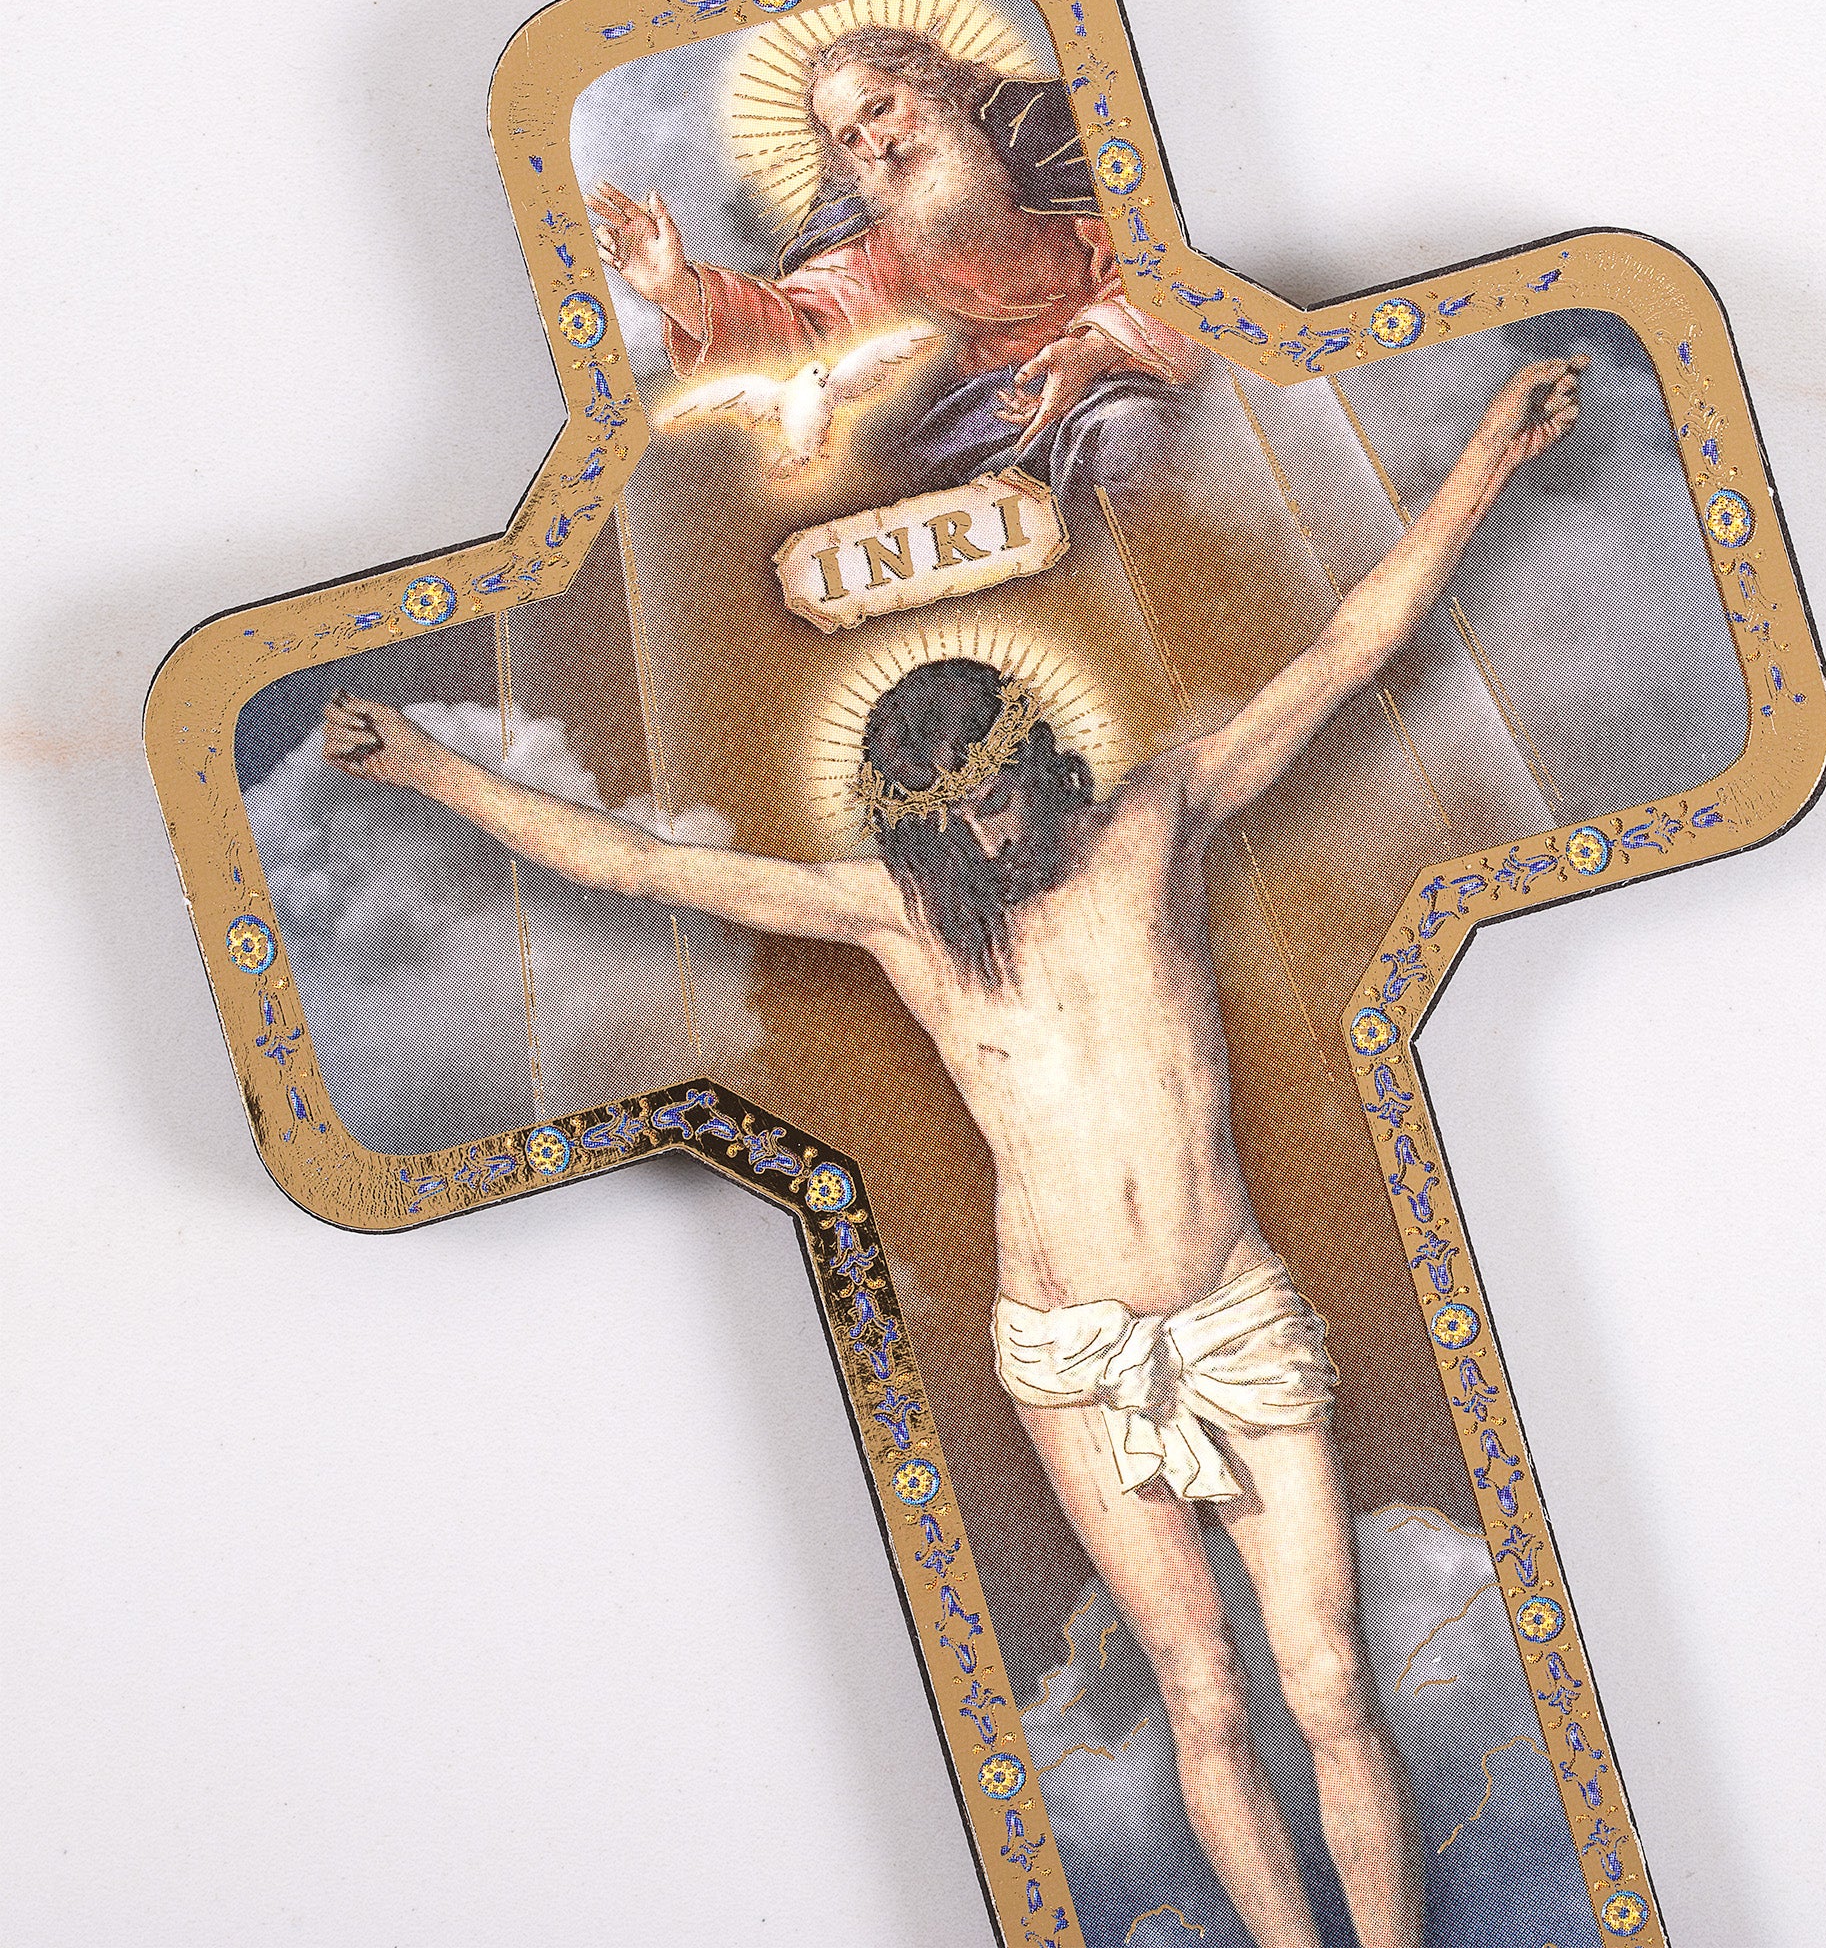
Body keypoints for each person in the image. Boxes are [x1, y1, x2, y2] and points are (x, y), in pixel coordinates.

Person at [323, 353, 1590, 1948]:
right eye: (958, 816)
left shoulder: (1156, 823)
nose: (993, 833)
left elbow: (1348, 651)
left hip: (1229, 1310)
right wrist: (427, 765)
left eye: (1000, 793)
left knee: (1331, 1680)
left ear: (1033, 759)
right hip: (1064, 1346)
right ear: (918, 823)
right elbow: (639, 869)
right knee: (1202, 1689)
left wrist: (1487, 458)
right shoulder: (902, 920)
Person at [586, 23, 1208, 497]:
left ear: (943, 88)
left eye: (881, 108)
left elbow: (1186, 293)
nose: (878, 145)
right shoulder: (870, 262)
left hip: (1118, 420)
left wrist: (1096, 349)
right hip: (980, 456)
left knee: (1128, 436)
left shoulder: (1083, 195)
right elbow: (792, 332)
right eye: (850, 139)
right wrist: (677, 290)